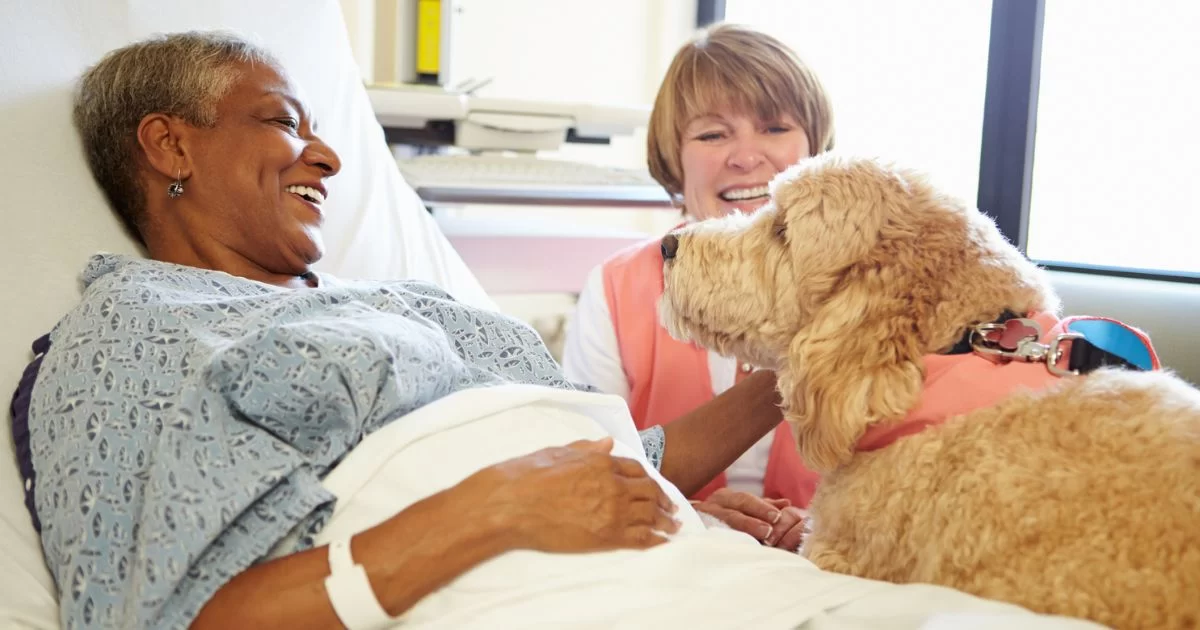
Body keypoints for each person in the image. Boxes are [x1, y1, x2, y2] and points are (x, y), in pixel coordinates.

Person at [16, 31, 1102, 630]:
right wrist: (492, 508)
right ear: (169, 145)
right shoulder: (132, 331)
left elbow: (614, 467)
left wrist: (768, 394)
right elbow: (161, 622)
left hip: (724, 578)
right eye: (281, 123)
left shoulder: (407, 302)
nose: (330, 155)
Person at [563, 22, 833, 547]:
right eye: (713, 134)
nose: (746, 156)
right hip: (677, 555)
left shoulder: (867, 282)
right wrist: (698, 515)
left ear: (816, 145)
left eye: (775, 127)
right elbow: (590, 472)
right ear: (673, 158)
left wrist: (825, 525)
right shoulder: (617, 289)